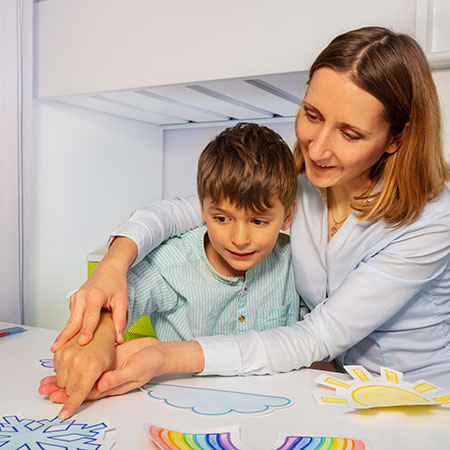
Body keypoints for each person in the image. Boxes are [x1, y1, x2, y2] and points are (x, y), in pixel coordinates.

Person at [42, 26, 450, 416]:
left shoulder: (432, 220)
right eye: (312, 114)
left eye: (350, 134)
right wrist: (112, 268)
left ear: (396, 138)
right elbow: (177, 212)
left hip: (420, 401)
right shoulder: (303, 185)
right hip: (339, 394)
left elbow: (316, 335)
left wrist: (167, 356)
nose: (319, 148)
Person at [41, 122, 307, 418]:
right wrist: (99, 341)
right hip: (178, 414)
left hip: (275, 413)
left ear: (288, 216)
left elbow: (313, 338)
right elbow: (114, 299)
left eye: (258, 221)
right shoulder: (172, 263)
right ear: (202, 211)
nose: (240, 239)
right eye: (221, 218)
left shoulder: (295, 262)